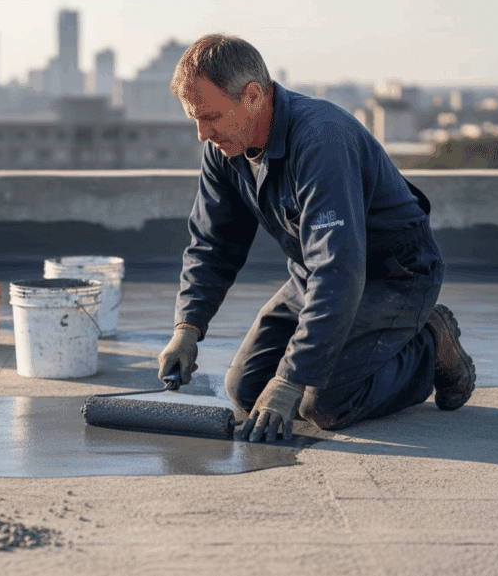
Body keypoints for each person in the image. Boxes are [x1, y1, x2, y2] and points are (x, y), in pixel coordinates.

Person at [157, 34, 476, 442]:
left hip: (396, 276)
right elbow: (212, 244)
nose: (202, 133)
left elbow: (339, 268)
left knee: (322, 404)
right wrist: (187, 328)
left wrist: (291, 379)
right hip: (315, 276)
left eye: (212, 117)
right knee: (248, 390)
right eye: (194, 118)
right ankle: (357, 355)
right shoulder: (225, 148)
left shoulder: (321, 140)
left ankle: (430, 344)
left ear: (253, 96)